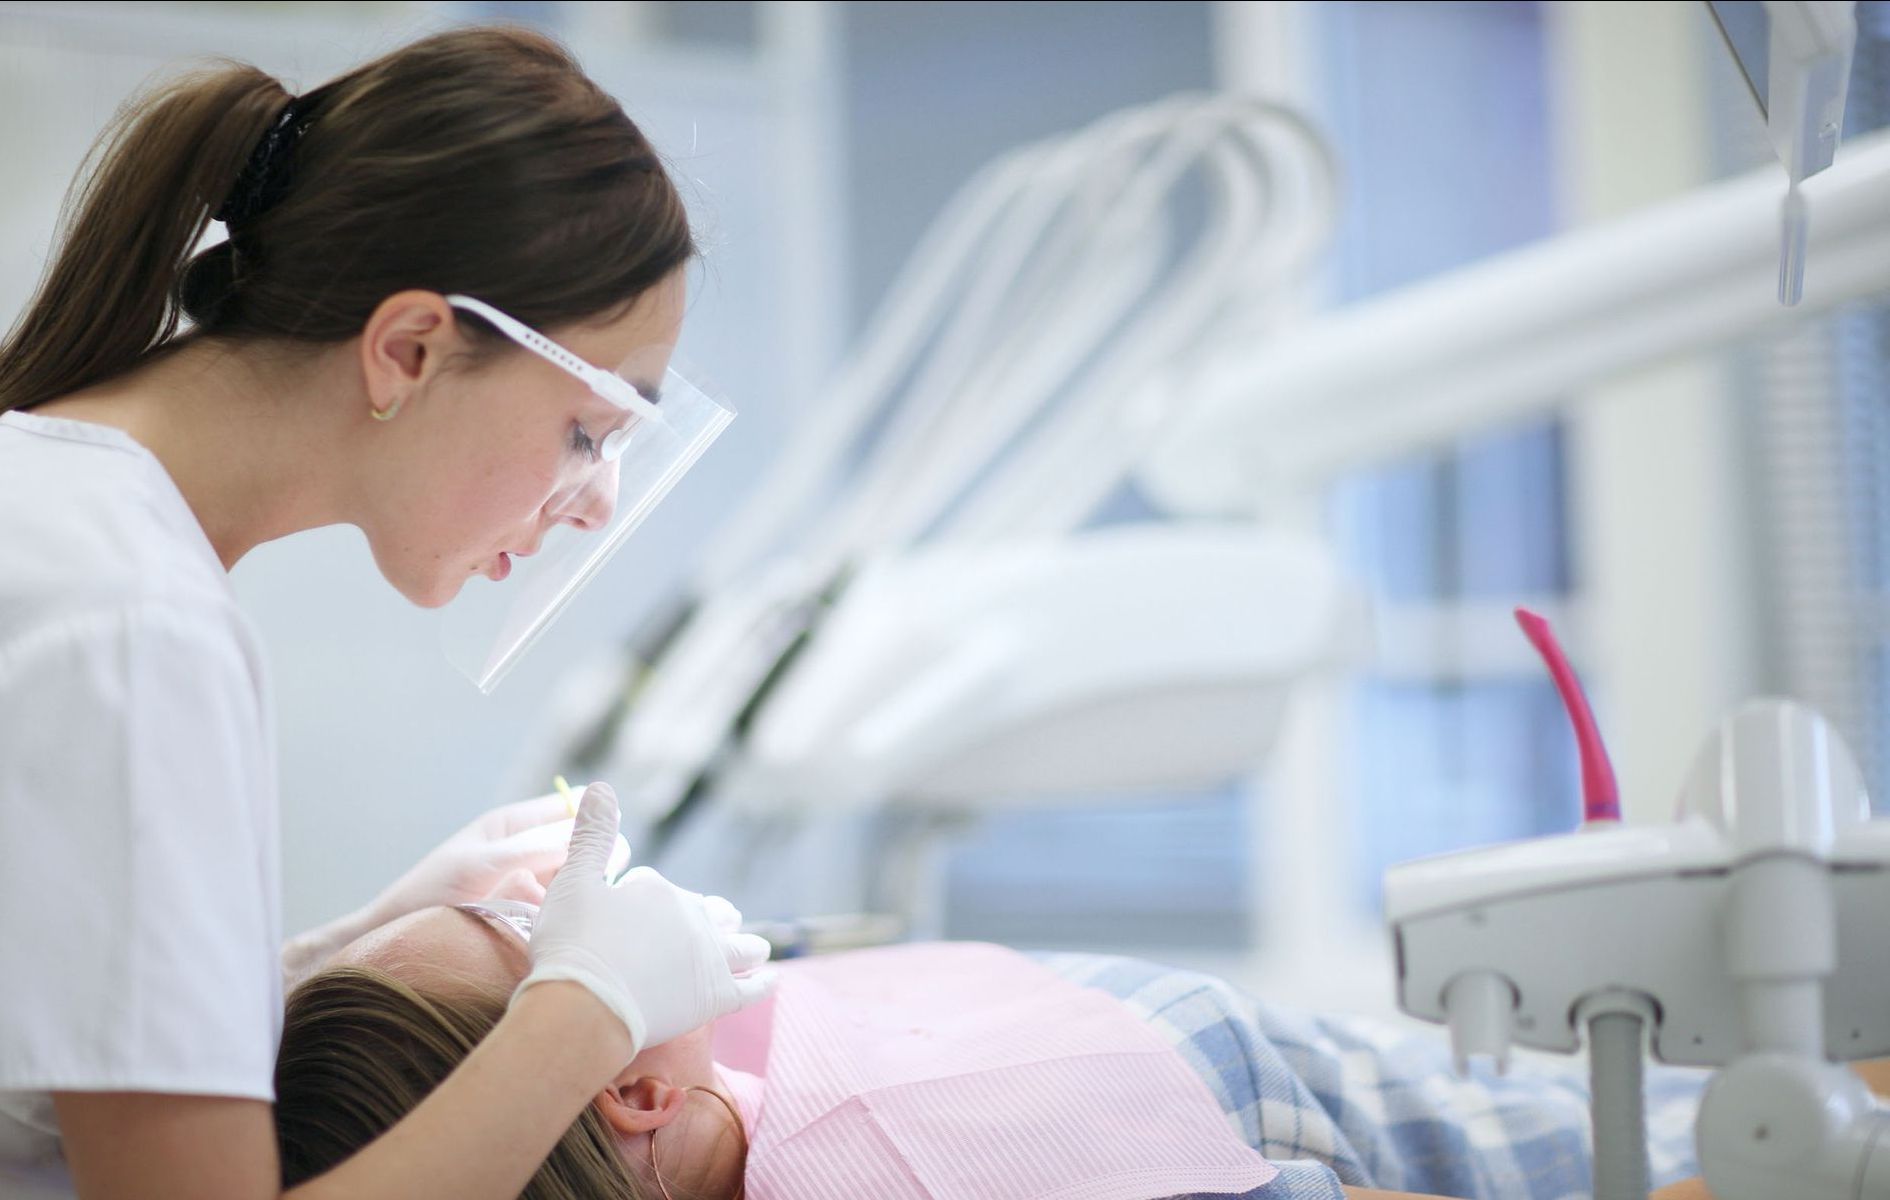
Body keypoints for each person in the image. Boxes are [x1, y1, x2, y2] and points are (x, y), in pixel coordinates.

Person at [0, 25, 771, 1200]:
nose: (595, 501)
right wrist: (580, 1020)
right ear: (409, 348)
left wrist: (351, 938)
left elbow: (40, 1046)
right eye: (586, 430)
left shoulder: (63, 510)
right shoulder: (134, 623)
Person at [273, 868, 1738, 1200]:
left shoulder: (724, 1086)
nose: (547, 891)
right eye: (540, 941)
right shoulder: (922, 1159)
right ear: (631, 1102)